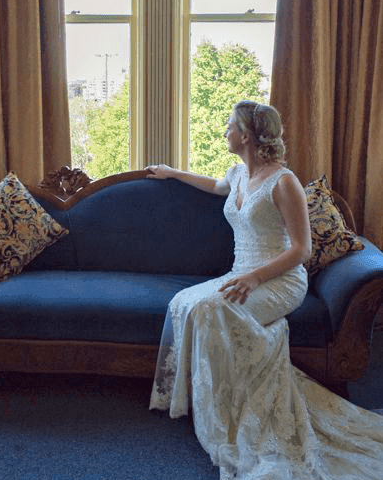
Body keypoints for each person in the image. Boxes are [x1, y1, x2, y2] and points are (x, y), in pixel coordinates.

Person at [145, 100, 383, 480]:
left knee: (212, 310)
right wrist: (173, 172)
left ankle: (238, 410)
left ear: (248, 135)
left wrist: (256, 278)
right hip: (240, 273)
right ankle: (205, 400)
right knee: (185, 301)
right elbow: (215, 185)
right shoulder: (238, 174)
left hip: (280, 280)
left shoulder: (284, 182)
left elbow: (301, 250)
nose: (224, 131)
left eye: (229, 126)